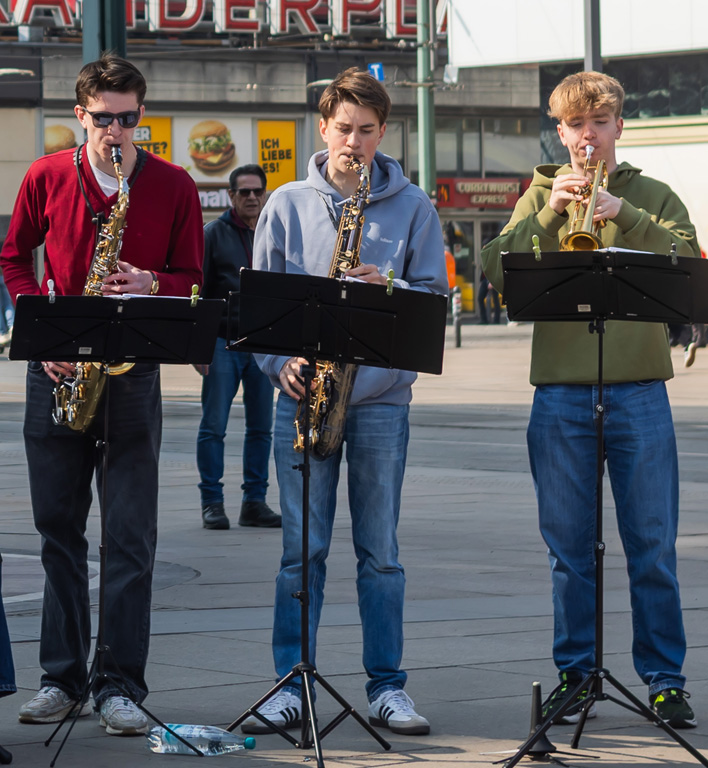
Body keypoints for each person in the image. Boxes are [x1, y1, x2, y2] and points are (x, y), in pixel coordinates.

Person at [482, 71, 699, 730]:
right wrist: (551, 212)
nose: (587, 138)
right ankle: (575, 675)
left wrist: (622, 214)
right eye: (576, 126)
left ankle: (665, 681)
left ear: (618, 127)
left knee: (653, 546)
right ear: (559, 132)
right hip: (559, 397)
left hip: (640, 392)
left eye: (598, 124)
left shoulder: (653, 195)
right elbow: (494, 269)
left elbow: (690, 269)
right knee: (568, 552)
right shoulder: (538, 194)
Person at [0, 54, 203, 735]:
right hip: (56, 372)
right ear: (79, 115)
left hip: (132, 375)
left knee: (129, 538)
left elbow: (194, 278)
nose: (116, 132)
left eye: (128, 119)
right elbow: (12, 256)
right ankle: (60, 678)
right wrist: (40, 334)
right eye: (103, 119)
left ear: (140, 115)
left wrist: (154, 284)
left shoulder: (173, 184)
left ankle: (119, 684)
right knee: (58, 532)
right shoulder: (46, 175)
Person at [241, 67, 447, 736]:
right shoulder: (285, 203)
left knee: (380, 553)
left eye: (366, 130)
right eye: (342, 129)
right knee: (300, 553)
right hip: (303, 397)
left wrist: (387, 287)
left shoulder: (414, 206)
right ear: (323, 127)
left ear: (383, 132)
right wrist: (279, 364)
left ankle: (388, 686)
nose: (352, 142)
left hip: (381, 402)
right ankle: (289, 684)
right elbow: (258, 310)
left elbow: (433, 301)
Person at [195, 164, 280, 531]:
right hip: (221, 343)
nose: (252, 197)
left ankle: (254, 503)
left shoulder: (273, 232)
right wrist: (198, 347)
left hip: (263, 345)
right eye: (244, 192)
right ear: (231, 196)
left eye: (257, 191)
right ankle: (212, 503)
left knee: (261, 429)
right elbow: (197, 292)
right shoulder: (212, 234)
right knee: (214, 426)